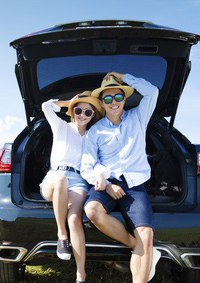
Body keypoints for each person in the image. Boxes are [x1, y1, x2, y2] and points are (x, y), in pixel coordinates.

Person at [81, 72, 161, 283]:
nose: (113, 102)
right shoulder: (94, 132)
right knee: (92, 210)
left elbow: (152, 92)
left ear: (124, 99)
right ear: (102, 103)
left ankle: (142, 249)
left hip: (135, 185)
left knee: (146, 233)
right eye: (108, 99)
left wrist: (123, 76)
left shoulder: (138, 117)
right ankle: (137, 246)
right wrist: (106, 184)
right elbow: (86, 166)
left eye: (118, 97)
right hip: (107, 184)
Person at [40, 92, 104, 283]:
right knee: (61, 180)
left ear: (93, 116)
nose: (82, 114)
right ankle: (62, 235)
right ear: (72, 111)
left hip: (78, 181)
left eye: (87, 111)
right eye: (78, 110)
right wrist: (73, 101)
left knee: (75, 219)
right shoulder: (61, 127)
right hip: (53, 178)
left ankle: (81, 275)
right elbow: (46, 106)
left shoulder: (93, 137)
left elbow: (98, 161)